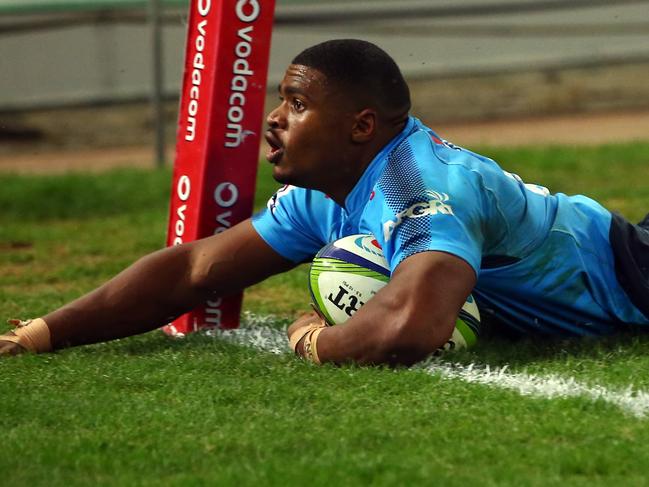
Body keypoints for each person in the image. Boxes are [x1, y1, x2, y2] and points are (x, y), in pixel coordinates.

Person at [2, 39, 648, 365]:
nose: (275, 119)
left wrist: (318, 341)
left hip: (634, 269)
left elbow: (412, 326)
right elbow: (190, 270)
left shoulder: (422, 190)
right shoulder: (322, 195)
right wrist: (46, 332)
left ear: (361, 126)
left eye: (298, 102)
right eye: (282, 100)